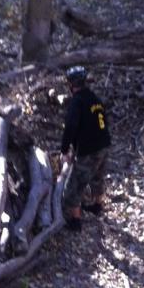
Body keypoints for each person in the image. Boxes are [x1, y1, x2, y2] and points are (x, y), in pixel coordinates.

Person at [60, 65, 111, 232]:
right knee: (97, 177)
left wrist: (64, 150)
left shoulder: (77, 102)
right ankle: (97, 205)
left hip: (89, 151)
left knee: (73, 187)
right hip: (104, 145)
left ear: (71, 84)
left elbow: (71, 127)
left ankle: (75, 221)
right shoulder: (94, 98)